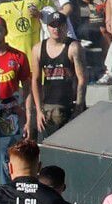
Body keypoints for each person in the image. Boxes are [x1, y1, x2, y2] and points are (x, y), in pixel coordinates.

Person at [31, 7, 86, 136]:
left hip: (69, 106)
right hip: (48, 108)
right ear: (48, 27)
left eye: (60, 26)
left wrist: (78, 107)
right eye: (53, 26)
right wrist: (39, 111)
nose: (56, 29)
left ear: (66, 27)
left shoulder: (73, 47)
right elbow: (35, 80)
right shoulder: (38, 49)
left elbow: (82, 79)